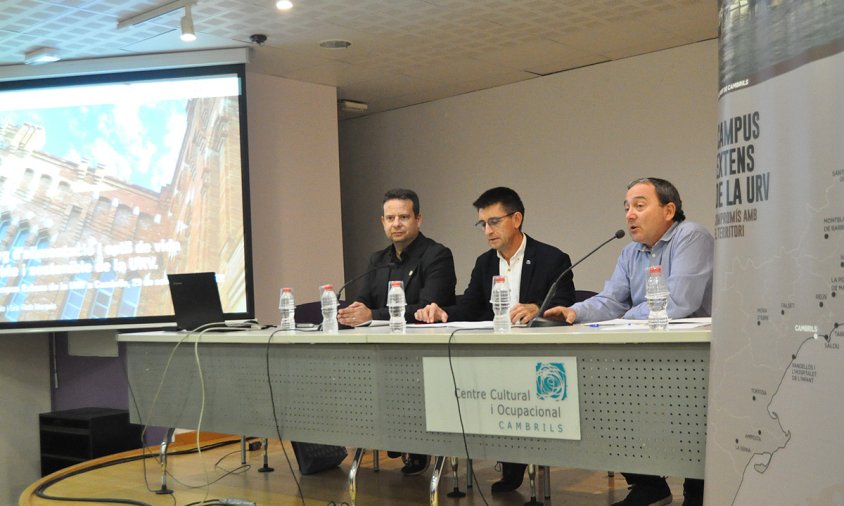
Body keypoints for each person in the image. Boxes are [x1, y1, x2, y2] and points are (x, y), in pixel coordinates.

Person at [543, 177, 713, 506]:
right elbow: (610, 301)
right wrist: (574, 313)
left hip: (696, 357)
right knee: (606, 395)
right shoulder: (630, 252)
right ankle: (648, 484)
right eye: (626, 208)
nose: (629, 215)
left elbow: (679, 302)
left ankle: (699, 489)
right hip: (650, 353)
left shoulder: (691, 236)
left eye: (639, 205)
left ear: (669, 210)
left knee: (693, 416)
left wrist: (621, 317)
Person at [415, 186, 575, 493]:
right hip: (496, 356)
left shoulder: (552, 258)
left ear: (516, 219)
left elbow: (566, 304)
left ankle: (520, 462)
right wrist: (443, 314)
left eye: (494, 222)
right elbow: (470, 307)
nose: (487, 231)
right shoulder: (485, 263)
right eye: (482, 224)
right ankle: (512, 461)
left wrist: (538, 309)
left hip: (538, 358)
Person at [338, 188, 456, 475]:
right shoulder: (377, 259)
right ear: (382, 222)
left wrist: (372, 315)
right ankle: (389, 434)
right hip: (381, 352)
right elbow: (366, 297)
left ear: (418, 219)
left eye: (403, 216)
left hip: (425, 353)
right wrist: (354, 311)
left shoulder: (437, 255)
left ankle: (415, 445)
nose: (396, 223)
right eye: (390, 217)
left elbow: (428, 308)